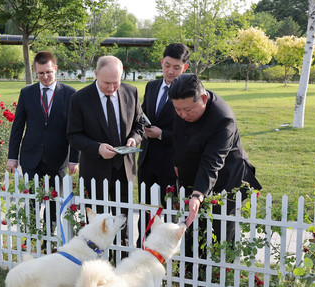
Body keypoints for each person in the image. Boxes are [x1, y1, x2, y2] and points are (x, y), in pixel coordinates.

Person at [168, 73, 261, 255]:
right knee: (192, 230)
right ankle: (192, 274)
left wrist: (198, 194)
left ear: (203, 98)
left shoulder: (223, 119)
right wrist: (177, 162)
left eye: (187, 110)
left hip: (227, 178)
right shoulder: (182, 105)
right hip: (196, 172)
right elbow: (177, 136)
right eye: (178, 110)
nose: (182, 115)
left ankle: (221, 274)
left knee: (220, 232)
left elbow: (213, 161)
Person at [67, 55, 144, 252]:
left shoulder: (131, 91)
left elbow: (139, 124)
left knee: (123, 219)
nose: (111, 88)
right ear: (95, 74)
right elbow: (74, 135)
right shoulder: (79, 99)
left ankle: (122, 259)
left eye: (115, 82)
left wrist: (134, 138)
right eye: (106, 83)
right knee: (97, 222)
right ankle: (98, 261)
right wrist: (97, 148)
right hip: (95, 169)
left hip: (124, 168)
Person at [7, 51, 78, 229]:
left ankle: (49, 242)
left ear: (55, 69)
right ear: (35, 71)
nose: (45, 77)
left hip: (58, 159)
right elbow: (18, 127)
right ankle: (32, 239)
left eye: (48, 72)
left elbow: (76, 129)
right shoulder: (26, 93)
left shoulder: (70, 94)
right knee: (32, 202)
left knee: (54, 204)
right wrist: (12, 156)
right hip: (31, 158)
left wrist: (74, 159)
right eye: (41, 73)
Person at [136, 43, 190, 247]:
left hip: (171, 162)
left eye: (176, 67)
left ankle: (166, 254)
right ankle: (142, 248)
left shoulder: (188, 91)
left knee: (169, 214)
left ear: (185, 68)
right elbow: (142, 113)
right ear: (162, 62)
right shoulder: (151, 86)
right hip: (147, 160)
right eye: (167, 65)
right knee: (146, 210)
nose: (170, 71)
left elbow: (189, 131)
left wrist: (162, 134)